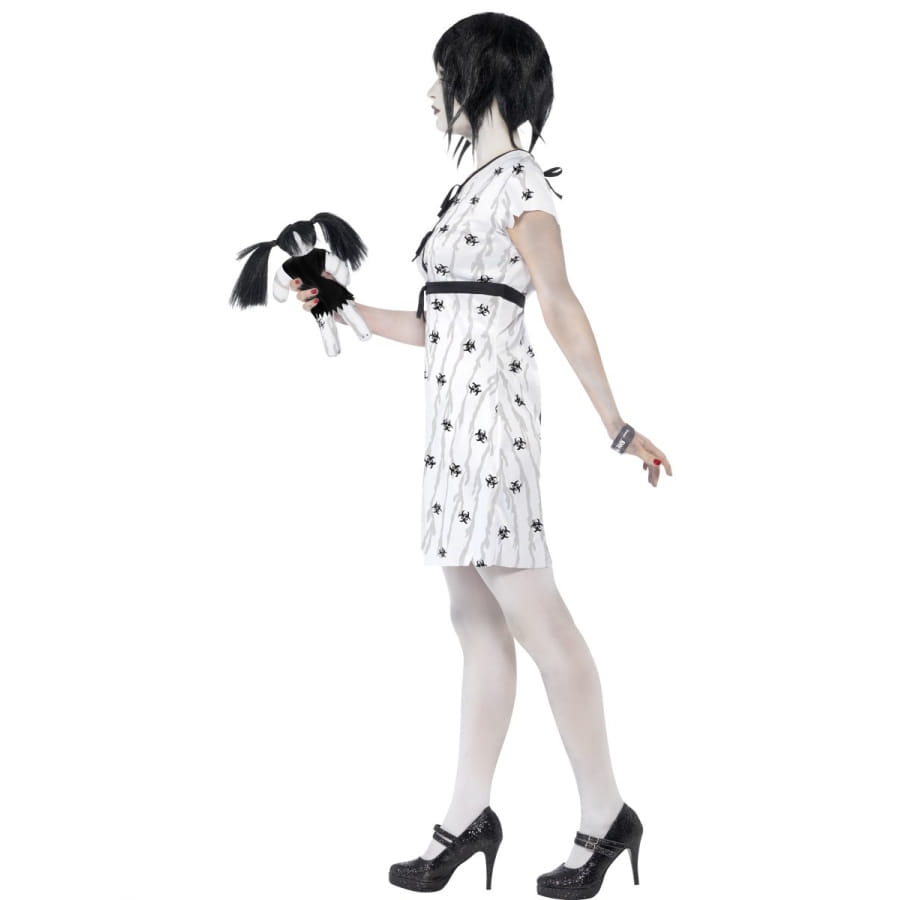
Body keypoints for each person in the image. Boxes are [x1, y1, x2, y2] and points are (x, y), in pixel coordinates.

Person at [293, 12, 672, 897]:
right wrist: (340, 303)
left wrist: (617, 426)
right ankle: (468, 817)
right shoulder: (466, 191)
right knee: (474, 622)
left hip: (494, 427)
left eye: (445, 75)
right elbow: (438, 324)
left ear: (486, 79)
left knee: (540, 621)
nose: (432, 93)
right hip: (448, 433)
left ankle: (605, 814)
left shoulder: (523, 185)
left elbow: (559, 301)